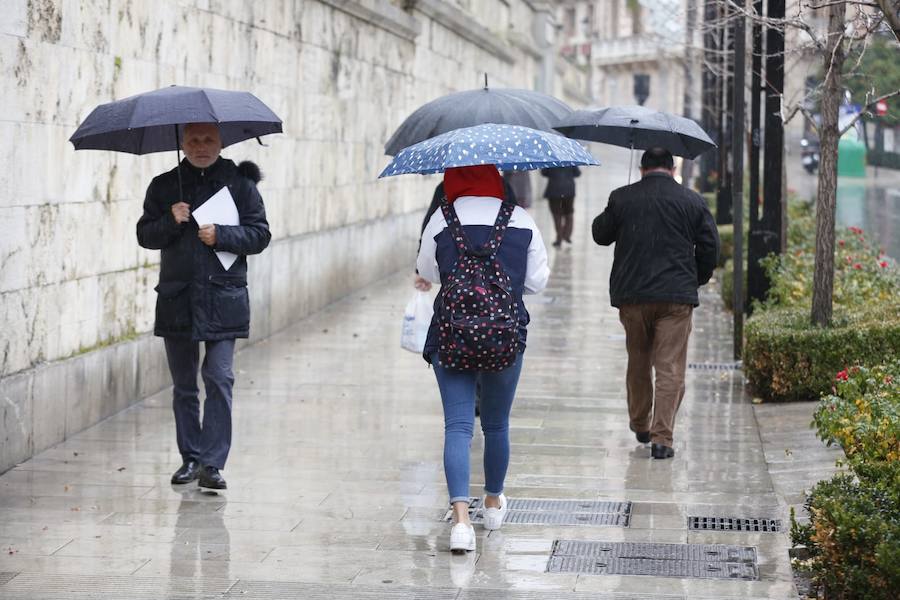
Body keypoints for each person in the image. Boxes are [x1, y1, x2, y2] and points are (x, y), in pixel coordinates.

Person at [417, 165, 549, 552]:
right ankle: (492, 503)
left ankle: (460, 522)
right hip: (504, 336)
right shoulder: (521, 218)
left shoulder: (442, 217)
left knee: (457, 426)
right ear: (497, 180)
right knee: (497, 424)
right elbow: (537, 281)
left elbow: (427, 269)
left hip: (451, 334)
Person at [136, 122, 271, 489]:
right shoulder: (164, 186)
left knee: (220, 377)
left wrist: (221, 235)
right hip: (177, 298)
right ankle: (190, 458)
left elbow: (260, 235)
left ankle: (212, 464)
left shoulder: (240, 184)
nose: (200, 146)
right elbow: (144, 235)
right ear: (182, 142)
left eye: (207, 139)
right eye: (193, 140)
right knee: (184, 385)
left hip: (223, 298)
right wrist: (170, 219)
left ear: (221, 142)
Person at [591, 147, 718, 460]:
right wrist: (695, 279)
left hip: (633, 297)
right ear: (672, 169)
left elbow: (600, 235)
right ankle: (662, 438)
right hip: (675, 297)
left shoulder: (623, 197)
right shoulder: (692, 201)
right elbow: (710, 248)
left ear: (642, 168)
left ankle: (639, 422)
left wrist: (616, 206)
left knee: (638, 359)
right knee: (669, 367)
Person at [540, 166, 580, 247]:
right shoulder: (570, 159)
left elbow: (544, 172)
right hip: (569, 189)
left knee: (556, 215)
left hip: (554, 189)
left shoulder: (551, 159)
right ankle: (567, 235)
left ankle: (559, 238)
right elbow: (577, 173)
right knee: (569, 213)